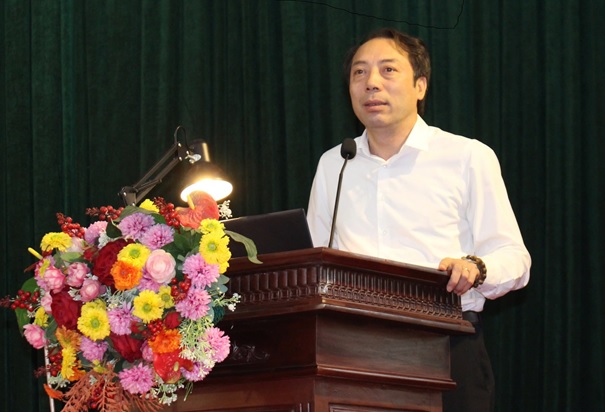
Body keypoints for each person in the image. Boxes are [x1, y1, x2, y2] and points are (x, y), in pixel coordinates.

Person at [306, 28, 531, 412]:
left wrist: (475, 267)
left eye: (388, 70)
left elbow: (515, 258)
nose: (371, 82)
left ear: (420, 86)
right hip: (353, 351)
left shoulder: (466, 156)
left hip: (445, 342)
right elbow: (315, 257)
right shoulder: (335, 163)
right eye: (359, 72)